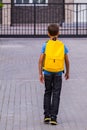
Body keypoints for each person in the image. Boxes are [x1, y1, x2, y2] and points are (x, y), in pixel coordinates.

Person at [38, 24, 70, 125]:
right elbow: (67, 60)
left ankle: (46, 116)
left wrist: (40, 74)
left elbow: (40, 61)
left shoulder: (45, 45)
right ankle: (53, 117)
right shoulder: (62, 45)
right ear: (58, 33)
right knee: (56, 94)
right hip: (58, 73)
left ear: (48, 33)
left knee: (47, 92)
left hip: (47, 72)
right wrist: (67, 72)